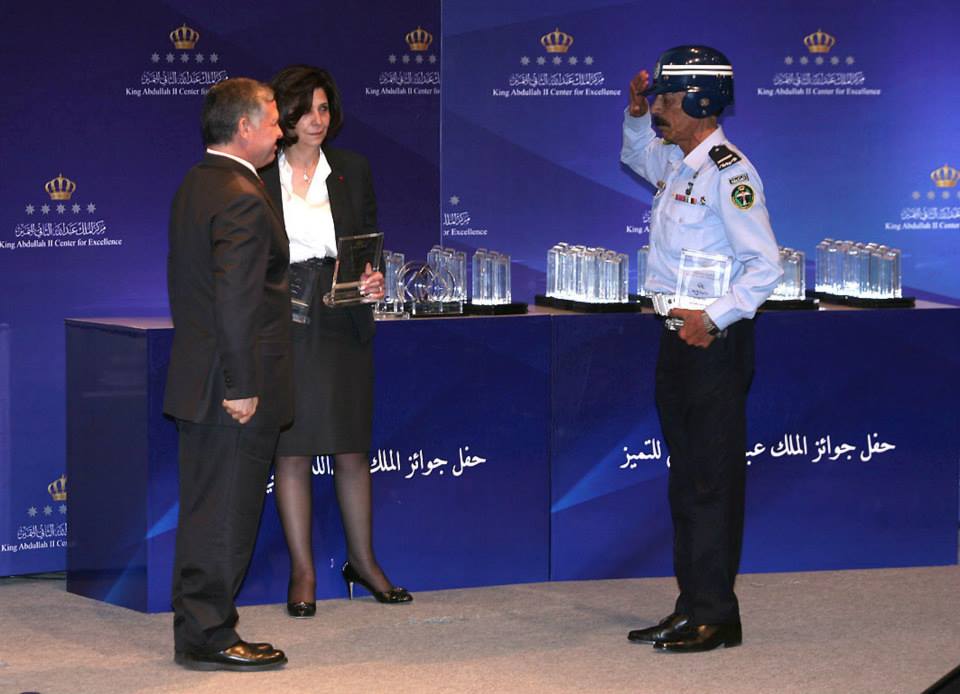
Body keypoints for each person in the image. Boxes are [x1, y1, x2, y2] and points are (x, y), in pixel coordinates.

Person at [620, 46, 782, 652]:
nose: (659, 107)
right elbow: (636, 155)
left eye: (666, 98)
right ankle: (692, 605)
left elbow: (763, 267)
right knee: (686, 480)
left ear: (701, 100)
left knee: (711, 482)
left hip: (713, 342)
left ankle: (717, 615)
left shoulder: (729, 173)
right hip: (677, 337)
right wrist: (637, 114)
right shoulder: (680, 162)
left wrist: (712, 319)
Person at [258, 64, 411, 618]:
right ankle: (302, 572)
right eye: (305, 110)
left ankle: (364, 562)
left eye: (324, 109)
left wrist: (373, 280)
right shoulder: (259, 173)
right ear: (284, 116)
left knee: (352, 447)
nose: (316, 120)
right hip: (286, 318)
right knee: (292, 450)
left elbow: (367, 246)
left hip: (344, 318)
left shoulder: (352, 169)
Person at [164, 77, 292, 671]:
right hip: (230, 388)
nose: (280, 132)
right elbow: (236, 299)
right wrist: (243, 386)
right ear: (244, 127)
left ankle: (201, 628)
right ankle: (210, 635)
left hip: (204, 381)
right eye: (273, 121)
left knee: (207, 511)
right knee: (225, 516)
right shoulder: (240, 193)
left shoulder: (199, 182)